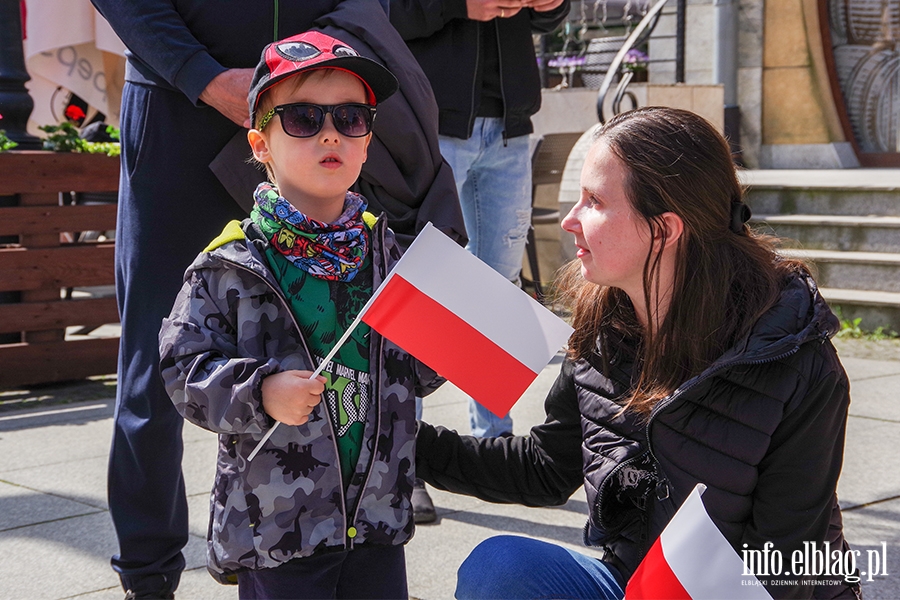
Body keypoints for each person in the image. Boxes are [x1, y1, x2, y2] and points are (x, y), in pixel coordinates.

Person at [89, 0, 463, 596]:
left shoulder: (384, 249)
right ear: (259, 146)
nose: (335, 133)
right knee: (148, 371)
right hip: (176, 103)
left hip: (374, 526)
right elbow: (181, 366)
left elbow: (411, 367)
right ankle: (147, 574)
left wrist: (453, 341)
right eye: (316, 122)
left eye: (352, 122)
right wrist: (259, 392)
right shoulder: (225, 268)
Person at [414, 107, 861, 599]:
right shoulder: (604, 327)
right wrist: (398, 440)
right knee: (500, 569)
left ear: (665, 230)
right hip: (635, 585)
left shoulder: (795, 361)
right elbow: (546, 468)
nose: (569, 220)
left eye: (593, 201)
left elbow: (786, 572)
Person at [389, 0, 570, 439]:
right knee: (419, 286)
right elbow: (383, 12)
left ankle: (494, 440)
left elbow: (548, 20)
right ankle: (404, 453)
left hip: (510, 125)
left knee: (498, 290)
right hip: (432, 122)